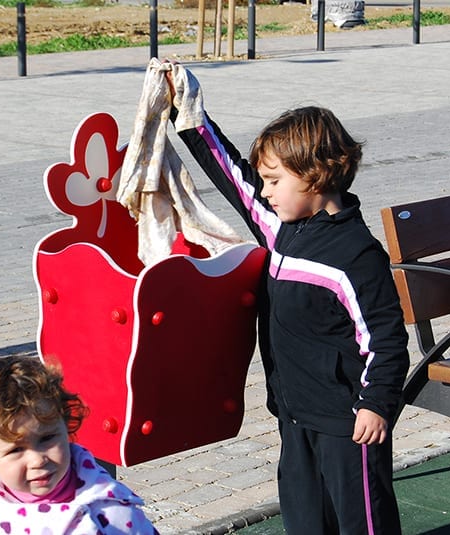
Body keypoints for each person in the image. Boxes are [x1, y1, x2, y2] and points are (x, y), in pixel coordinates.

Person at [161, 60, 410, 534]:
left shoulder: (355, 255)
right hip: (294, 415)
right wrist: (190, 114)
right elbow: (231, 176)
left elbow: (385, 338)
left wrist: (377, 403)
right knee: (305, 520)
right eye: (266, 182)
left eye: (275, 181)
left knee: (362, 522)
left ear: (316, 175)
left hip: (348, 423)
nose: (266, 192)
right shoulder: (280, 228)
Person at [0, 352, 158, 535]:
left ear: (66, 425)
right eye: (16, 449)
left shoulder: (109, 507)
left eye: (47, 438)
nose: (37, 459)